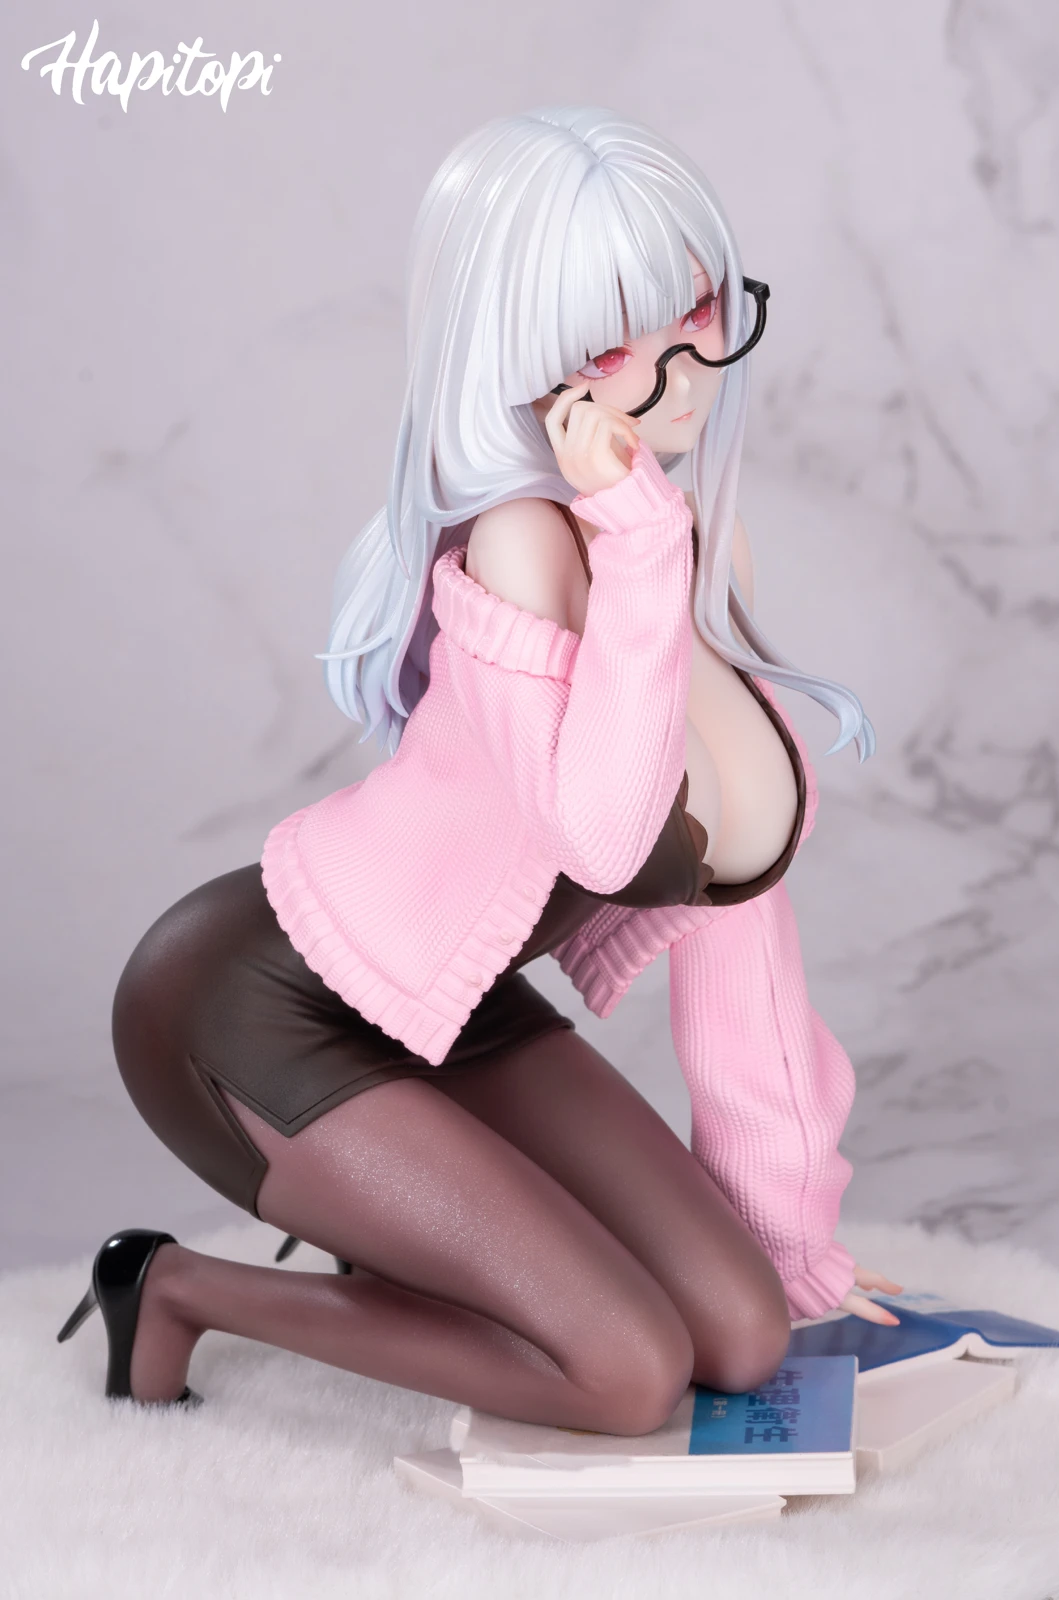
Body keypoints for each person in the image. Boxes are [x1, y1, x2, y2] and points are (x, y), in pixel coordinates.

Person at [58, 107, 902, 1434]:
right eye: (622, 341)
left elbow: (744, 949)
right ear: (531, 358)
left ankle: (412, 1233)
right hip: (257, 1006)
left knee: (743, 1333)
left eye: (700, 312)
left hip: (455, 1009)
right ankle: (172, 1287)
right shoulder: (526, 545)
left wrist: (792, 1239)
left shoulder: (689, 549)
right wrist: (637, 545)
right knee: (624, 1374)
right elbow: (607, 837)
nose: (688, 372)